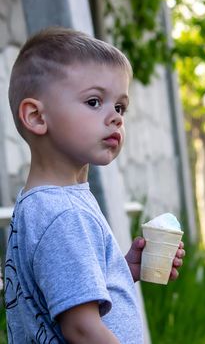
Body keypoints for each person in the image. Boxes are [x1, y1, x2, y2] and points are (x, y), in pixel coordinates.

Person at [4, 27, 185, 343]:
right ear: (36, 116)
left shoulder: (41, 203)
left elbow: (62, 292)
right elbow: (82, 330)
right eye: (93, 101)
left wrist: (120, 270)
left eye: (119, 107)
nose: (116, 118)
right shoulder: (63, 215)